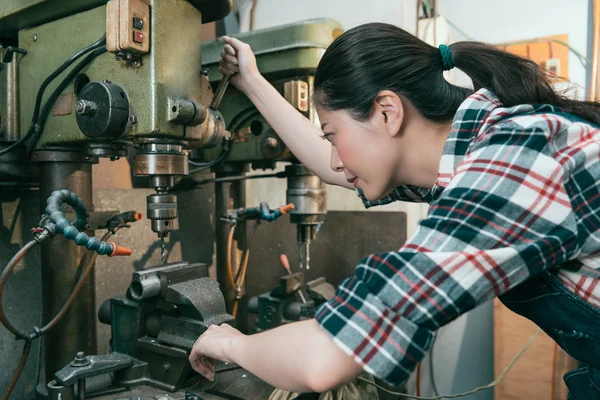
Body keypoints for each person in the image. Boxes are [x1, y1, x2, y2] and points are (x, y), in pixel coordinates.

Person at [189, 22, 600, 398]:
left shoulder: (514, 158)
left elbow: (323, 358)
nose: (334, 159)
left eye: (334, 134)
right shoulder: (476, 150)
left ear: (387, 112)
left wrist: (227, 342)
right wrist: (253, 81)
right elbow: (330, 165)